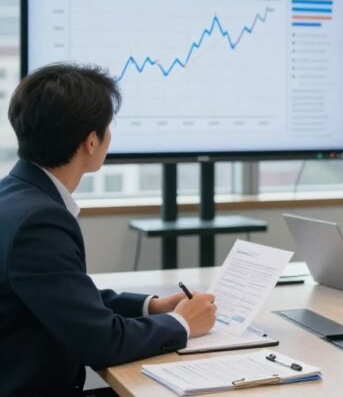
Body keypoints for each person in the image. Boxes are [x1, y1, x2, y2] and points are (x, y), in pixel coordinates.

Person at [0, 63, 218, 396]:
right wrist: (183, 323)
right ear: (91, 141)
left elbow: (64, 295)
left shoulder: (14, 196)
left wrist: (151, 307)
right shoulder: (39, 220)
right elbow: (101, 343)